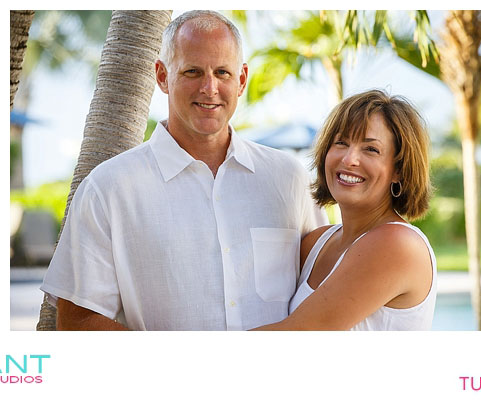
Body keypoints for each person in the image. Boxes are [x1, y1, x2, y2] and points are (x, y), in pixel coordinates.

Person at [41, 10, 321, 330]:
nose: (209, 87)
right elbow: (78, 321)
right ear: (162, 76)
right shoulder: (109, 188)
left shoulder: (288, 178)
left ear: (242, 79)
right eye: (192, 71)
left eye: (223, 73)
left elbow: (319, 286)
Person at [256, 90, 437, 330]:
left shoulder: (397, 244)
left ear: (399, 170)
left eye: (371, 149)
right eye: (341, 142)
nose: (349, 159)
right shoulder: (315, 243)